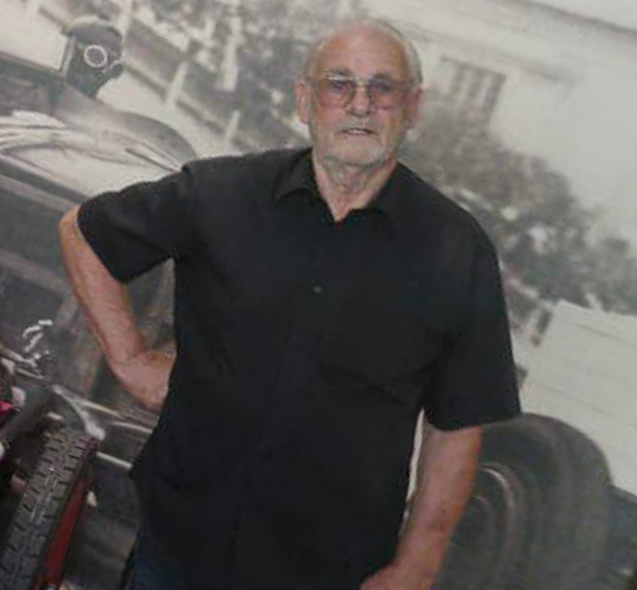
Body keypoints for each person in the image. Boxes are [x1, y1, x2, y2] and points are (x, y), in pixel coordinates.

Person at [56, 20, 520, 590]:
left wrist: (420, 559)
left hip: (333, 574)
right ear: (305, 99)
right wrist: (128, 359)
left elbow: (458, 423)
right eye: (338, 84)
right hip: (178, 549)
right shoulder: (221, 194)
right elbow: (83, 232)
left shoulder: (458, 251)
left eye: (383, 88)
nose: (360, 105)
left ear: (412, 106)